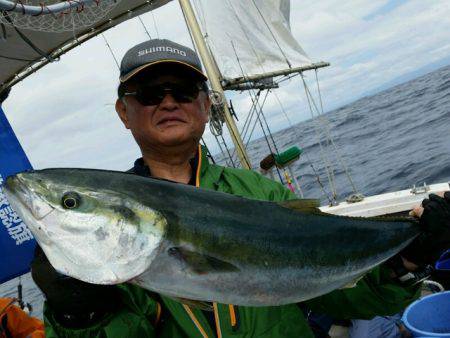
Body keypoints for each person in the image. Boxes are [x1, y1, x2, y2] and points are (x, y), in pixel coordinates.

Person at [31, 38, 450, 338]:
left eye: (183, 90)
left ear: (205, 104)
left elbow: (340, 298)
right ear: (124, 112)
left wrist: (408, 260)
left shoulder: (262, 195)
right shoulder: (103, 255)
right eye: (150, 93)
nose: (169, 102)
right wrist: (76, 314)